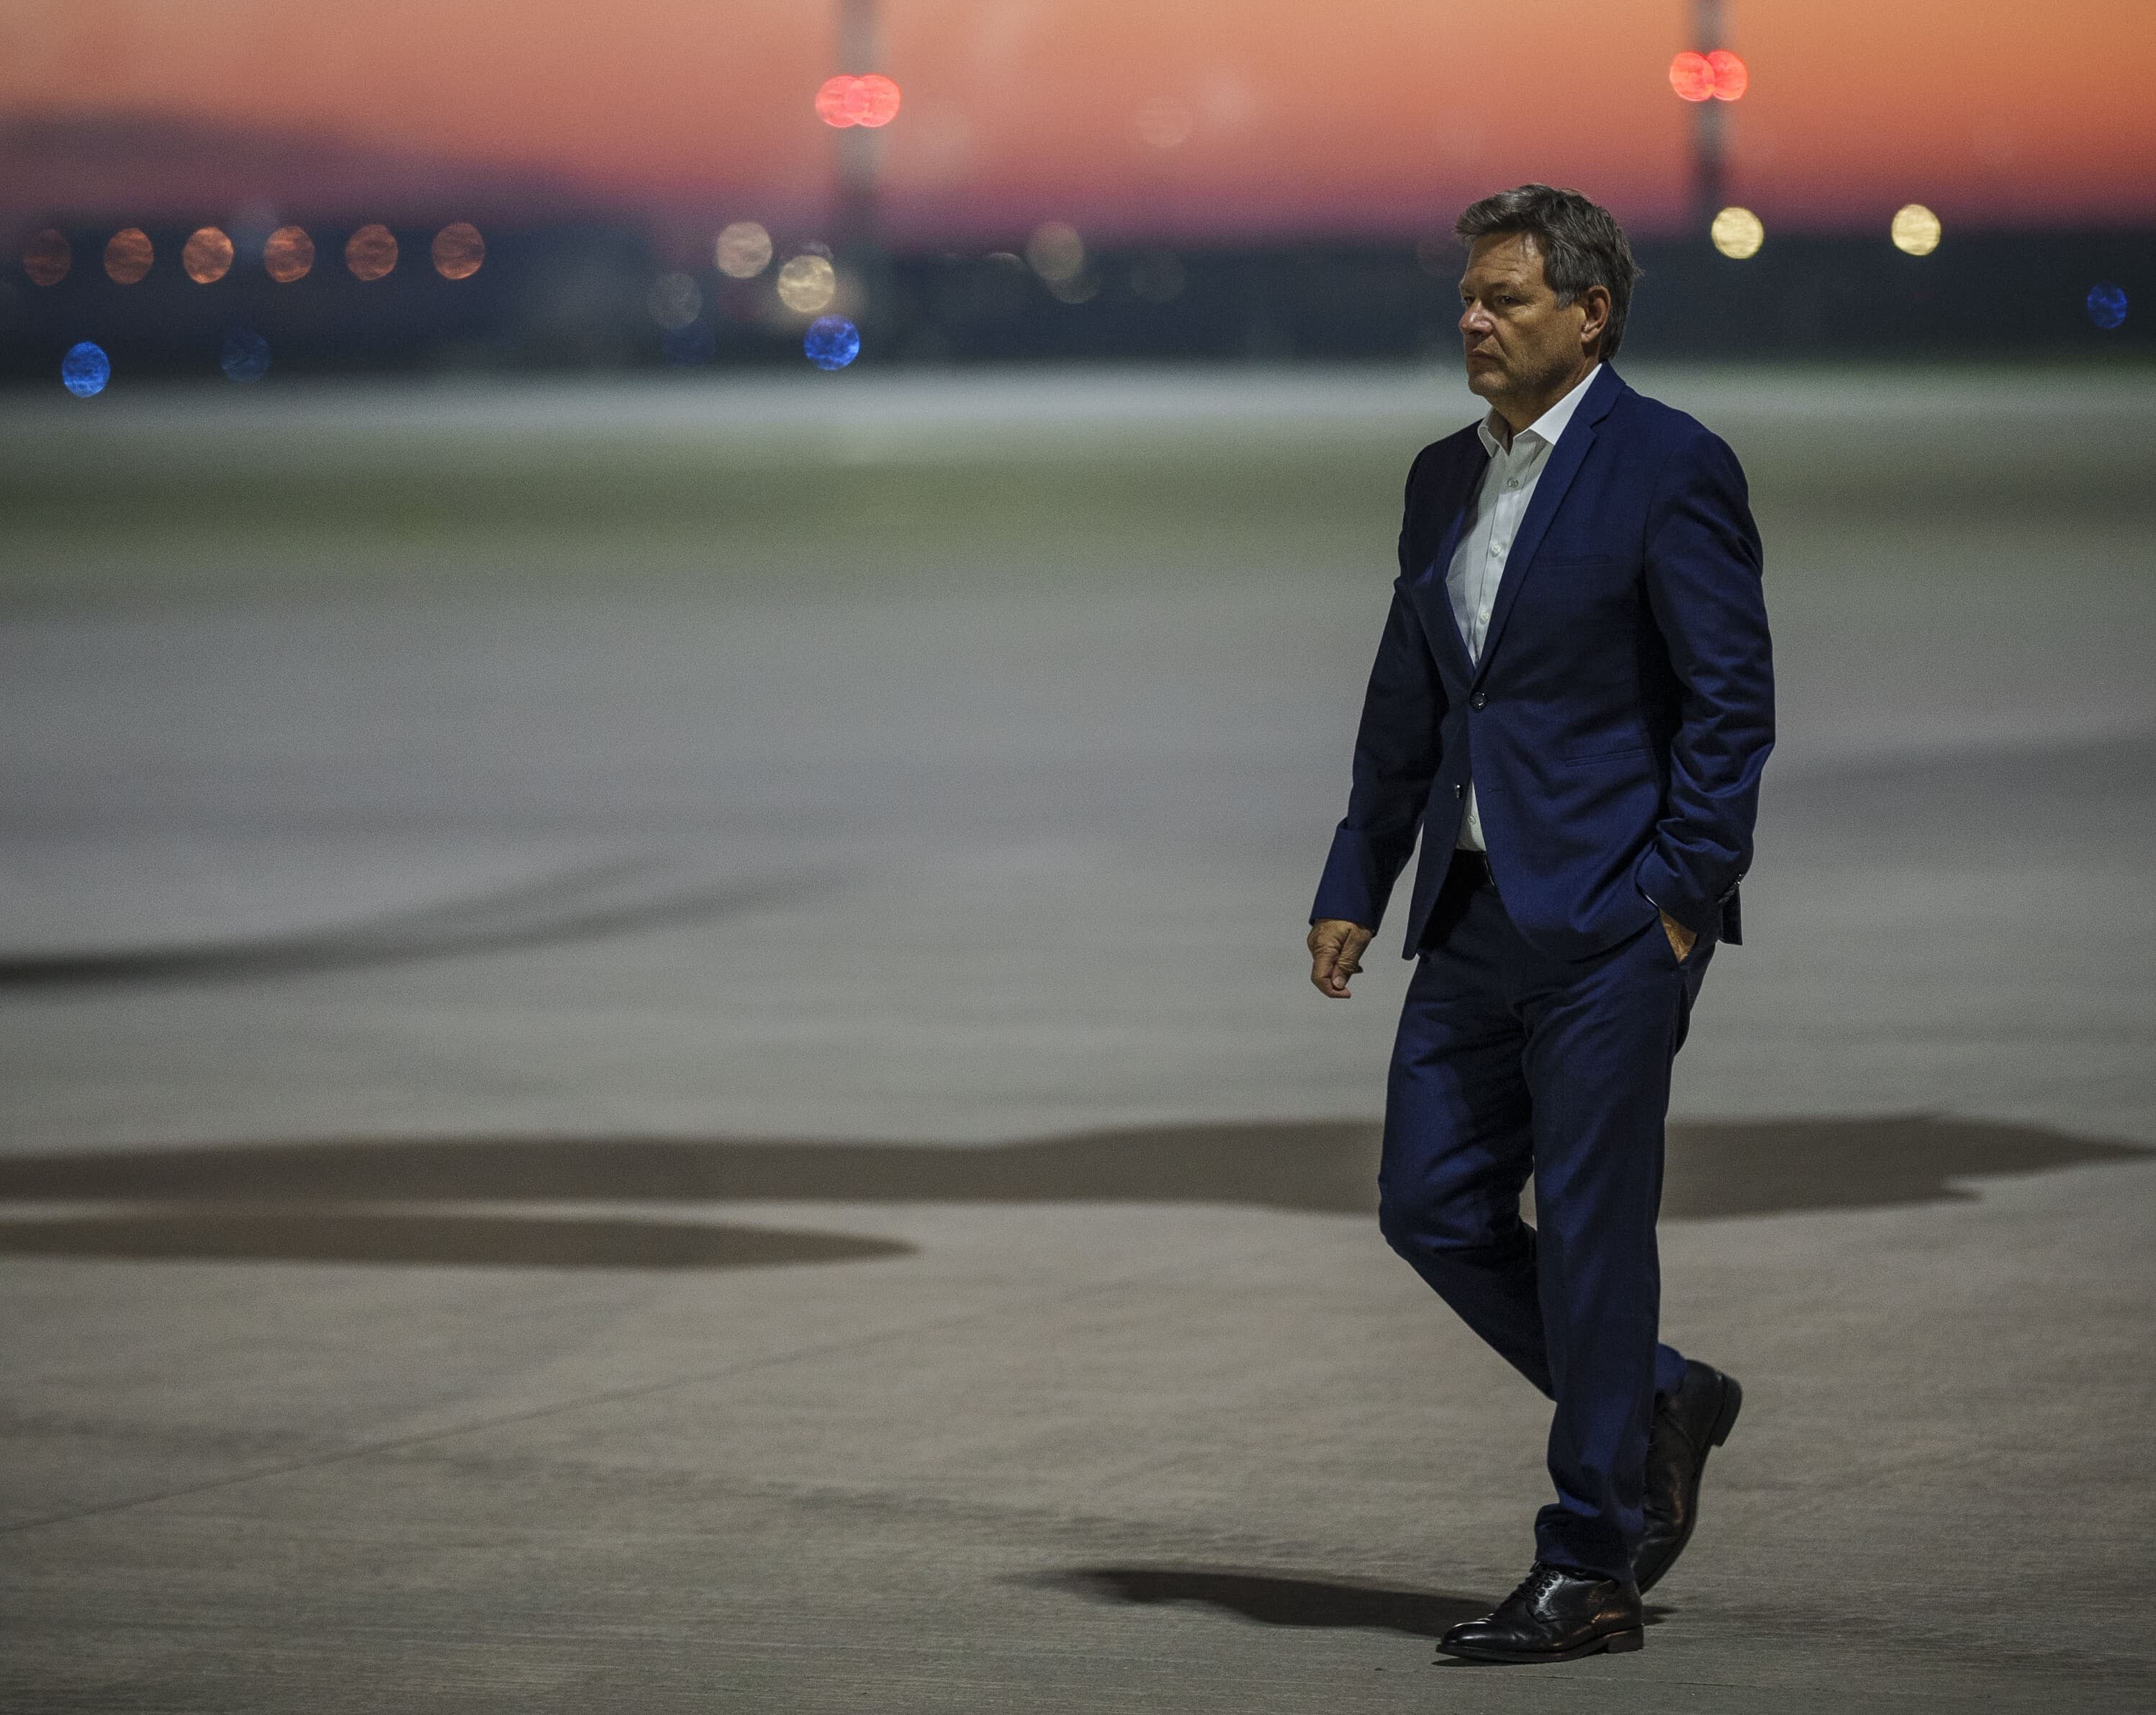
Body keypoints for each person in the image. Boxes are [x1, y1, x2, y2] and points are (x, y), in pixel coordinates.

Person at [1305, 184, 1774, 1664]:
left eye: (1505, 298)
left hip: (1615, 926)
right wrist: (1353, 878)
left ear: (1590, 313)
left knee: (1585, 1234)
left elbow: (1729, 705)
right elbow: (1414, 696)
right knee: (1429, 1206)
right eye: (1467, 296)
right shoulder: (1444, 475)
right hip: (1476, 905)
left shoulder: (1668, 467)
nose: (1471, 320)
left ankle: (1589, 1565)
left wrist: (1679, 904)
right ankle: (1654, 1398)